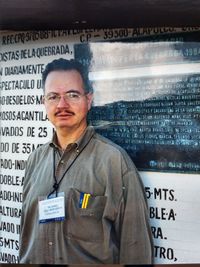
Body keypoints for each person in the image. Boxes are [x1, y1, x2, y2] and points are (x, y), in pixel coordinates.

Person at [19, 58, 153, 264]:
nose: (62, 104)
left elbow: (136, 249)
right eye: (53, 96)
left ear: (89, 100)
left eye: (72, 95)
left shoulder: (114, 162)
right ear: (43, 103)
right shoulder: (35, 160)